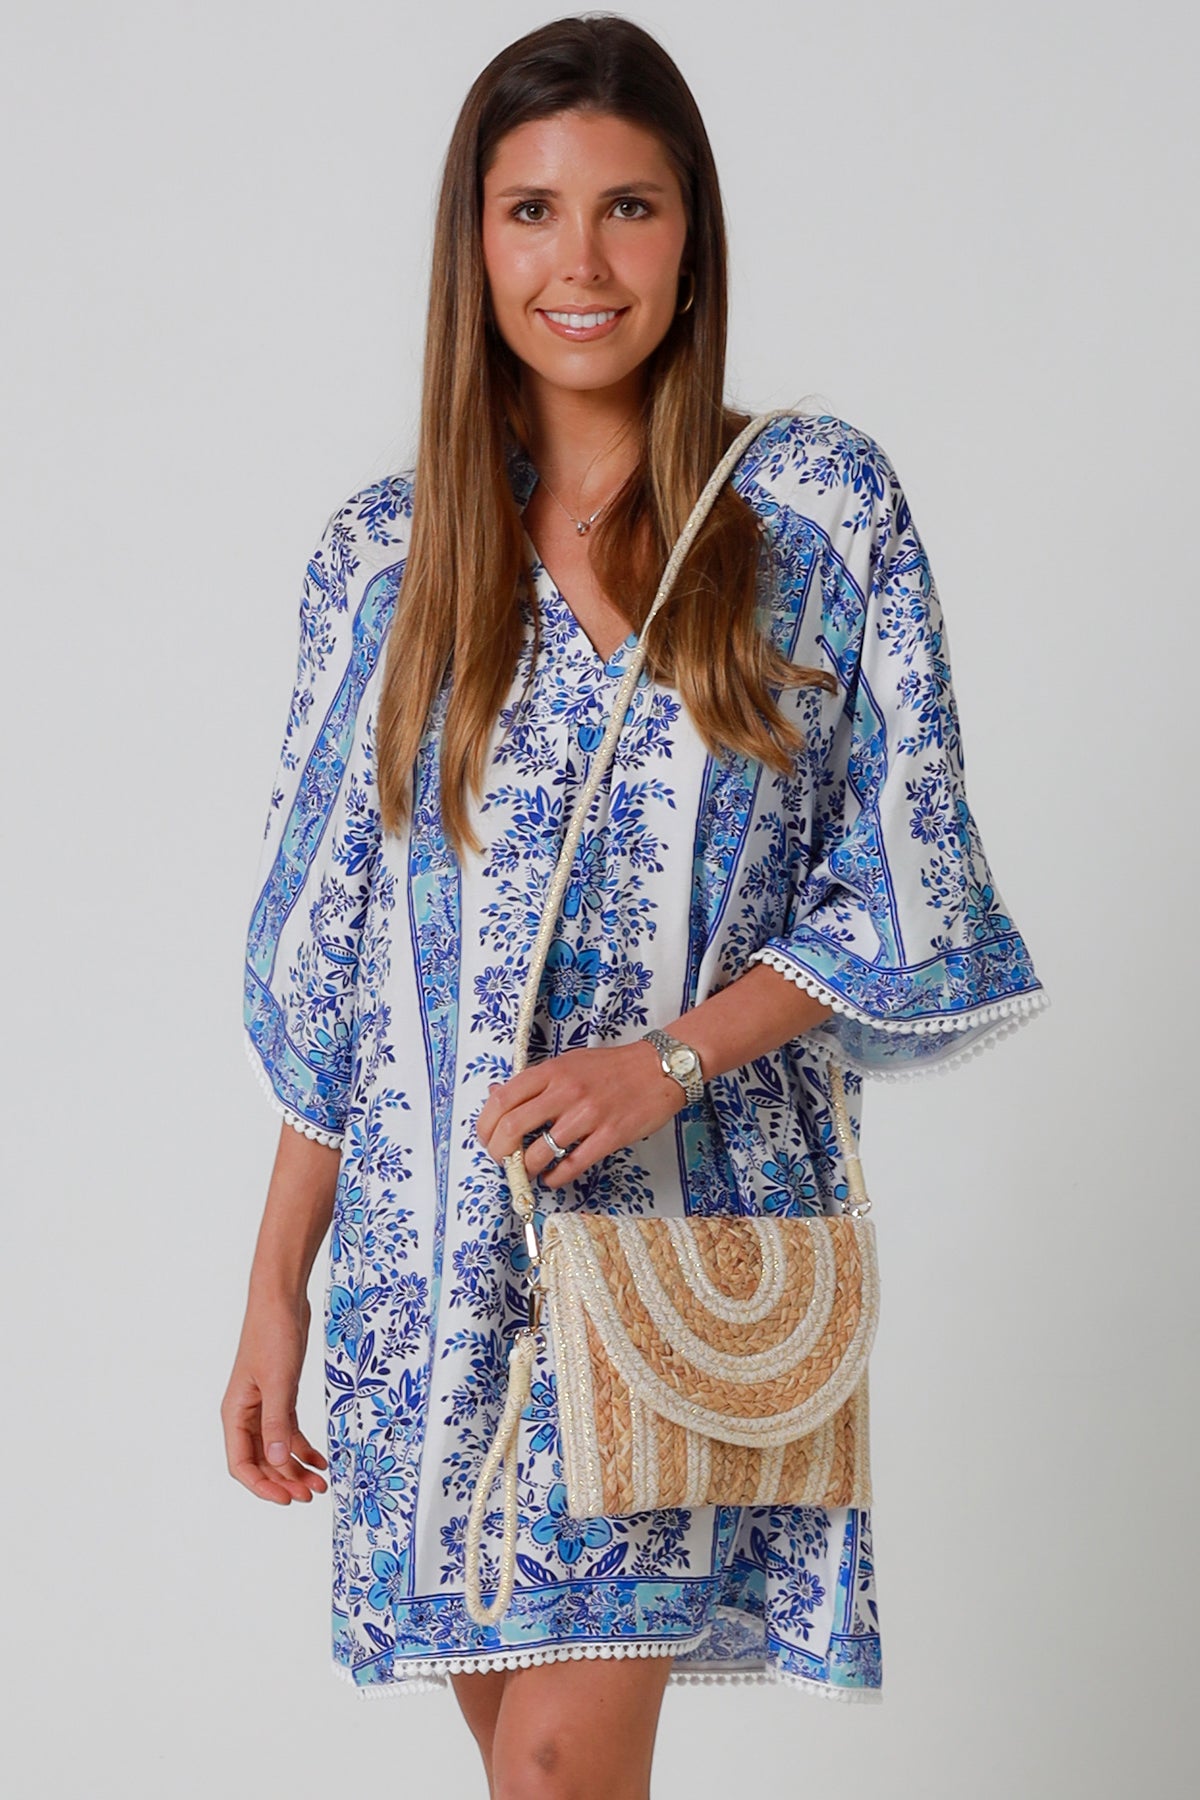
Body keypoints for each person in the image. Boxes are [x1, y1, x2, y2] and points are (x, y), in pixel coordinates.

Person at [222, 12, 1049, 1794]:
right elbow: (331, 972)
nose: (580, 264)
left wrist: (667, 1062)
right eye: (531, 211)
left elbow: (908, 881)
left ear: (692, 234)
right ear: (473, 244)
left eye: (629, 207)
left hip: (689, 1259)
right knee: (528, 1771)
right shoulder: (385, 556)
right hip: (430, 1280)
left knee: (557, 1772)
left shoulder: (812, 511)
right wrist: (275, 1290)